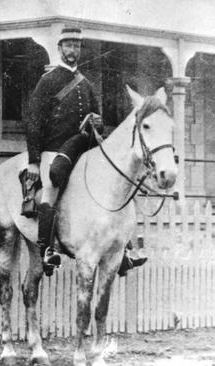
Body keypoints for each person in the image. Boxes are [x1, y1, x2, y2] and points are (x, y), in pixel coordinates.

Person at [25, 28, 146, 276]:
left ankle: (124, 249)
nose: (73, 51)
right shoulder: (47, 81)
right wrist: (34, 161)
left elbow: (98, 120)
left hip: (84, 148)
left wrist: (96, 120)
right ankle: (47, 249)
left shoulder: (87, 84)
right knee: (52, 183)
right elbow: (34, 121)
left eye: (77, 46)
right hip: (54, 148)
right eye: (68, 45)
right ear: (59, 49)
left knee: (116, 184)